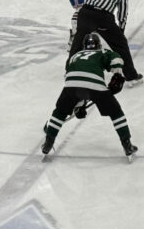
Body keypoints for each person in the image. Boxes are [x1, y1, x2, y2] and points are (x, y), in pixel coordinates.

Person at [41, 33, 138, 162]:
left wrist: (78, 104)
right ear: (98, 45)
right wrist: (118, 75)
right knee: (116, 113)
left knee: (59, 112)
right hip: (95, 84)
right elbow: (116, 59)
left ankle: (48, 142)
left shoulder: (75, 55)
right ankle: (127, 145)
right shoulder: (102, 52)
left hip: (71, 85)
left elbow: (76, 80)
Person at [67, 0, 143, 88]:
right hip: (103, 17)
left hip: (85, 13)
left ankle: (70, 70)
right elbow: (123, 10)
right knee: (121, 45)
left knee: (78, 42)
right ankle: (131, 76)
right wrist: (121, 29)